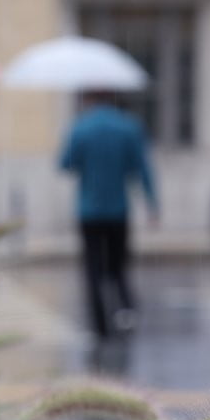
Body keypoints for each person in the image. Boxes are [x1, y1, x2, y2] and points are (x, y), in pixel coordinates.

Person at [60, 91, 159, 340]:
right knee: (118, 264)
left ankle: (99, 322)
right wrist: (152, 203)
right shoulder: (128, 127)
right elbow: (141, 167)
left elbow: (65, 163)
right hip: (118, 209)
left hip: (90, 209)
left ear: (88, 100)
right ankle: (124, 309)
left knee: (93, 267)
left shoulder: (81, 128)